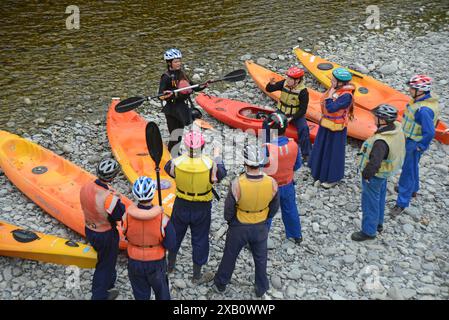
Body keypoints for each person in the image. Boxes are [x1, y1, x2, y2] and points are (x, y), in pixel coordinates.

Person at [214, 145, 280, 297]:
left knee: (230, 255)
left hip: (240, 225)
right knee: (261, 258)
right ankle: (261, 287)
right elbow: (275, 206)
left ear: (245, 163)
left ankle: (221, 283)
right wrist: (265, 217)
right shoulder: (271, 182)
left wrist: (231, 222)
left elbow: (228, 210)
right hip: (261, 225)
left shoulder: (237, 183)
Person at [164, 131, 227, 282]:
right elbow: (222, 173)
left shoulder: (176, 162)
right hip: (202, 206)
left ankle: (170, 266)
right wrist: (217, 155)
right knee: (200, 239)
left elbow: (169, 171)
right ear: (203, 146)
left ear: (186, 146)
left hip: (181, 205)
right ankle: (196, 274)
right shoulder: (210, 164)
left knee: (175, 235)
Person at [352, 105, 405, 241]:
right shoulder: (396, 129)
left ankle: (369, 231)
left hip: (375, 175)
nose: (373, 117)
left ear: (382, 120)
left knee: (370, 203)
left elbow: (374, 163)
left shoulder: (381, 141)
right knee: (379, 198)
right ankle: (378, 224)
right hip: (385, 173)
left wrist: (366, 175)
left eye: (376, 116)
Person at [390, 75, 441, 217]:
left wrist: (421, 146)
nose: (409, 90)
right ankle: (413, 189)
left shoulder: (423, 110)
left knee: (407, 171)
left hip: (413, 142)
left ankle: (401, 203)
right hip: (411, 140)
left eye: (412, 88)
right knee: (413, 167)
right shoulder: (424, 101)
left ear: (421, 91)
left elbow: (430, 132)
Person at [123, 176, 176, 300]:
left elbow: (125, 233)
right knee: (162, 292)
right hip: (156, 263)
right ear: (153, 194)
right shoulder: (162, 219)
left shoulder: (127, 216)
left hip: (134, 261)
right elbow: (171, 243)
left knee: (140, 294)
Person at [79, 158, 125, 300]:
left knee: (106, 259)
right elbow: (119, 214)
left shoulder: (86, 187)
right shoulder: (109, 198)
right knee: (104, 265)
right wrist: (118, 200)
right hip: (105, 234)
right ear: (113, 177)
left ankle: (110, 284)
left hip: (89, 228)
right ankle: (98, 295)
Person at [308, 67, 355, 189]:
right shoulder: (335, 89)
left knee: (333, 153)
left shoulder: (346, 96)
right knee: (322, 148)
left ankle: (332, 178)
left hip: (337, 129)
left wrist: (329, 96)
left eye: (334, 80)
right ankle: (318, 173)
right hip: (326, 124)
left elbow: (331, 108)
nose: (331, 82)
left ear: (341, 83)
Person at [158, 48, 209, 153]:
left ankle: (175, 150)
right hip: (171, 109)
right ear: (169, 63)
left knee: (179, 134)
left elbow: (193, 86)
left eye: (179, 61)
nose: (178, 63)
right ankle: (171, 153)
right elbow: (160, 95)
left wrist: (203, 85)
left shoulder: (182, 74)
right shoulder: (166, 77)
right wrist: (168, 95)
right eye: (176, 62)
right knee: (174, 134)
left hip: (182, 107)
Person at [263, 112, 303, 244]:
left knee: (266, 214)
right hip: (287, 184)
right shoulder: (293, 145)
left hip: (270, 187)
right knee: (290, 209)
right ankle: (296, 235)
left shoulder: (267, 148)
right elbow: (297, 165)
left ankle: (260, 239)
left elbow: (259, 167)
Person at [265, 66, 311, 163]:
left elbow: (303, 110)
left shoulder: (303, 92)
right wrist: (271, 84)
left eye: (291, 78)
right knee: (267, 123)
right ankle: (268, 147)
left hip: (296, 115)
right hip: (281, 112)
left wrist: (291, 118)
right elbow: (269, 89)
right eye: (288, 77)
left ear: (297, 80)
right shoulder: (283, 83)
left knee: (304, 129)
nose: (288, 80)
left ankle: (306, 154)